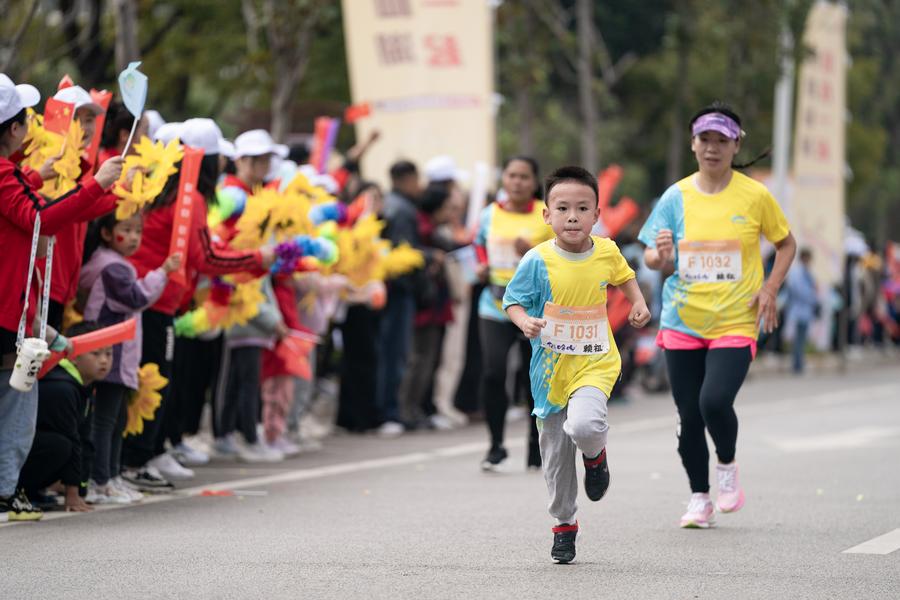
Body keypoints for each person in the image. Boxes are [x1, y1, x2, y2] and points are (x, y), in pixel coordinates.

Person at [639, 102, 796, 528]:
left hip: (735, 318)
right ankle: (699, 498)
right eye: (704, 139)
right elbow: (652, 256)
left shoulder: (755, 195)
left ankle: (726, 465)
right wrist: (661, 257)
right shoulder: (676, 197)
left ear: (735, 145)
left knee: (714, 401)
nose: (712, 148)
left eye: (721, 140)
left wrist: (770, 287)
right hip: (682, 320)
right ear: (693, 144)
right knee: (689, 415)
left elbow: (786, 243)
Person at [503, 165, 650, 563]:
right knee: (555, 458)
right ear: (546, 214)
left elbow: (625, 276)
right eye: (563, 208)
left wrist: (637, 302)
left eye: (582, 208)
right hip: (550, 372)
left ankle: (595, 456)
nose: (572, 217)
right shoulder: (537, 260)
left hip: (595, 362)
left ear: (596, 214)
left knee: (585, 425)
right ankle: (564, 524)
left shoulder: (606, 251)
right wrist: (524, 322)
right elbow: (512, 301)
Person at [121, 119, 272, 490]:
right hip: (154, 300)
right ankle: (137, 459)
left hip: (154, 298)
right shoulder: (189, 197)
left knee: (157, 379)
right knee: (155, 380)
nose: (224, 164)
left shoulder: (172, 190)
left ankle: (149, 452)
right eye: (219, 157)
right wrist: (257, 259)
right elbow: (206, 257)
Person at [0, 74, 123, 523]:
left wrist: (40, 175)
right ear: (14, 129)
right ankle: (5, 491)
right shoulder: (4, 173)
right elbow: (40, 219)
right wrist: (97, 184)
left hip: (15, 308)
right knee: (18, 403)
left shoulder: (11, 173)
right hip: (8, 310)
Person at [79, 211, 182, 503]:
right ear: (106, 233)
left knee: (118, 418)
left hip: (115, 353)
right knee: (106, 420)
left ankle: (110, 476)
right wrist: (162, 272)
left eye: (138, 231)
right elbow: (136, 298)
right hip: (108, 353)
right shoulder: (112, 267)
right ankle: (100, 480)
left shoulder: (113, 263)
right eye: (128, 229)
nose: (135, 237)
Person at [475, 156, 554, 471]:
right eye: (511, 175)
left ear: (534, 182)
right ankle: (495, 446)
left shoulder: (546, 214)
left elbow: (561, 256)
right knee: (493, 373)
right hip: (495, 306)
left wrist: (531, 253)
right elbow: (478, 245)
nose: (517, 182)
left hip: (534, 311)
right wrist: (481, 266)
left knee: (533, 379)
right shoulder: (489, 214)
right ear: (503, 179)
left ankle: (536, 446)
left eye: (524, 177)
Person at [17, 322, 113, 514]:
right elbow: (72, 439)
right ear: (74, 357)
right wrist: (72, 493)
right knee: (61, 445)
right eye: (95, 354)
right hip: (22, 450)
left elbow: (84, 439)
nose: (104, 361)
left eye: (109, 354)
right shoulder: (62, 388)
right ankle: (21, 490)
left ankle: (33, 491)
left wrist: (82, 489)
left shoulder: (83, 384)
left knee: (73, 444)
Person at [374, 160, 422, 436]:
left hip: (387, 290)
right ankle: (389, 412)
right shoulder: (402, 210)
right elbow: (405, 254)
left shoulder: (392, 205)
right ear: (407, 179)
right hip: (398, 291)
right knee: (394, 354)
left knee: (390, 352)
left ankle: (389, 410)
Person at [785, 248, 819, 373]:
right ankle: (797, 364)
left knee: (801, 339)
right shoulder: (797, 272)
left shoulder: (806, 272)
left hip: (804, 310)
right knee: (798, 339)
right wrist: (812, 297)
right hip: (799, 310)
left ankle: (799, 363)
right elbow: (798, 290)